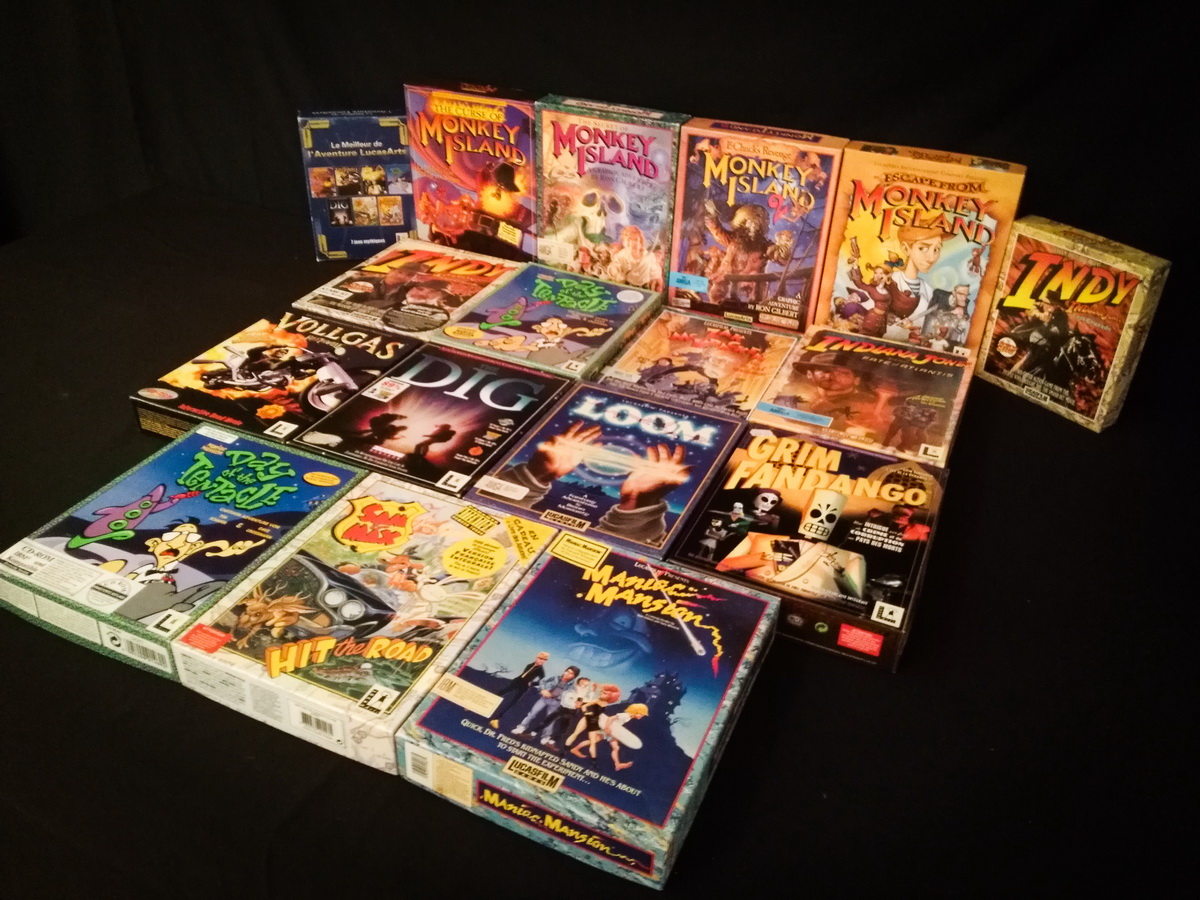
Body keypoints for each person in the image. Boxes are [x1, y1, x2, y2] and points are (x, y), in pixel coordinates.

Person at [512, 666, 580, 735]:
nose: (568, 674)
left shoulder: (573, 687)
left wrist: (554, 695)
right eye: (567, 671)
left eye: (571, 673)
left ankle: (546, 736)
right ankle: (521, 727)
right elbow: (542, 681)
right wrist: (543, 690)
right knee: (532, 713)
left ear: (574, 676)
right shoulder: (555, 677)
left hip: (556, 703)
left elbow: (568, 697)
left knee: (550, 720)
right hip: (544, 699)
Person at [488, 652, 549, 729]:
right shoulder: (530, 665)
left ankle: (496, 719)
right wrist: (516, 679)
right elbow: (524, 674)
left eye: (544, 660)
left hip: (523, 686)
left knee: (512, 702)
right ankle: (485, 704)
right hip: (517, 682)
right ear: (537, 657)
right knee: (501, 693)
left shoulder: (540, 670)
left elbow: (542, 681)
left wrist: (532, 683)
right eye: (541, 658)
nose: (542, 661)